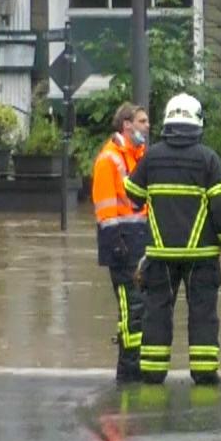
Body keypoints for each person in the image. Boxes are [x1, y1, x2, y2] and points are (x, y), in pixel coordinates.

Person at [124, 94, 221, 385]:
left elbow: (133, 194)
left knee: (156, 313)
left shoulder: (152, 156)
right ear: (197, 122)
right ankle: (203, 371)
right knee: (202, 313)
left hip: (160, 254)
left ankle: (152, 370)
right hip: (201, 256)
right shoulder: (208, 159)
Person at [91, 103, 149, 382]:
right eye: (142, 121)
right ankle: (129, 367)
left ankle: (135, 363)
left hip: (140, 240)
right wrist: (115, 243)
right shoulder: (109, 158)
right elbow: (104, 207)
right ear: (127, 125)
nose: (147, 127)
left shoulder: (139, 156)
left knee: (141, 306)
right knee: (131, 307)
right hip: (122, 242)